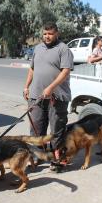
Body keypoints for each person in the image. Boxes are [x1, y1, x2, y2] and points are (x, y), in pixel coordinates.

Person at [23, 22, 74, 167]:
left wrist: (51, 87)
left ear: (56, 33)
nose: (47, 36)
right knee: (36, 128)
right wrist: (26, 87)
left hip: (57, 97)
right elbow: (32, 69)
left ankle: (56, 158)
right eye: (45, 34)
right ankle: (37, 156)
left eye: (50, 34)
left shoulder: (63, 49)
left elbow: (65, 72)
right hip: (36, 96)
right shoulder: (38, 48)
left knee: (57, 129)